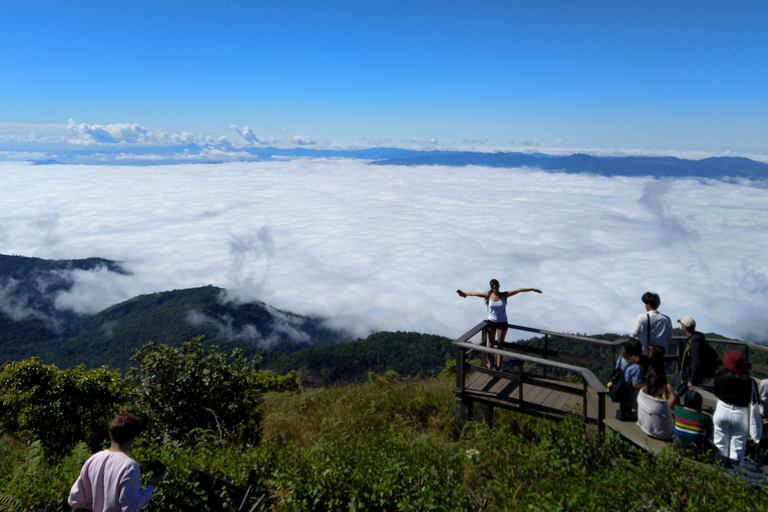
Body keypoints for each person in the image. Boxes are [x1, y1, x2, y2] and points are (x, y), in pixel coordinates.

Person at [69, 413, 166, 512]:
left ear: (110, 435)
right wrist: (151, 486)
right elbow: (130, 508)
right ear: (133, 438)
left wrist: (97, 504)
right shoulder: (129, 466)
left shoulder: (92, 460)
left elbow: (74, 499)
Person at [457, 279, 542, 369]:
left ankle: (498, 366)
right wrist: (465, 294)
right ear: (490, 287)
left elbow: (519, 290)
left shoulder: (504, 295)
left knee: (500, 344)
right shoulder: (488, 295)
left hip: (502, 323)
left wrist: (533, 289)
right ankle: (490, 365)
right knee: (490, 344)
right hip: (491, 322)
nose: (494, 287)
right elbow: (475, 293)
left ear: (498, 285)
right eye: (492, 285)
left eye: (495, 285)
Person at [713, 351, 753, 467]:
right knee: (738, 446)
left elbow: (716, 393)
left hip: (722, 409)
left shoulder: (720, 376)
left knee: (720, 442)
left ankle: (718, 468)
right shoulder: (749, 381)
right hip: (741, 414)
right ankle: (735, 474)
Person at [669, 316, 717, 399]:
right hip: (684, 371)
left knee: (673, 396)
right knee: (668, 386)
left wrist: (692, 380)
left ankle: (670, 408)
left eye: (681, 325)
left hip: (687, 374)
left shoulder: (694, 342)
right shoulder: (695, 339)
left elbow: (696, 362)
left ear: (684, 327)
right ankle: (675, 408)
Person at [630, 292, 672, 377]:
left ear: (649, 304)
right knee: (661, 375)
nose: (644, 305)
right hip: (658, 352)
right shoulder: (666, 319)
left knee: (640, 375)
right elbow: (669, 337)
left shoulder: (642, 317)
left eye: (645, 303)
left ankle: (641, 389)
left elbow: (634, 333)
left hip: (643, 352)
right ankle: (663, 389)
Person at [672, 390, 714, 455]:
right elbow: (710, 434)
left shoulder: (678, 410)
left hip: (677, 446)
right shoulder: (706, 418)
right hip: (696, 450)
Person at [614, 338, 645, 421]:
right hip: (631, 395)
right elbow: (635, 384)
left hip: (621, 391)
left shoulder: (620, 359)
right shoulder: (636, 367)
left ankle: (624, 413)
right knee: (644, 413)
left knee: (625, 410)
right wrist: (647, 384)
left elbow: (616, 371)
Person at [636, 373, 675, 440]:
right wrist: (665, 395)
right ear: (660, 388)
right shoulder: (662, 404)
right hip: (662, 435)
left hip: (645, 427)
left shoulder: (641, 394)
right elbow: (666, 407)